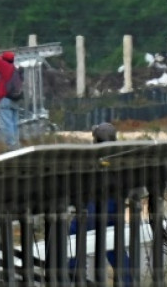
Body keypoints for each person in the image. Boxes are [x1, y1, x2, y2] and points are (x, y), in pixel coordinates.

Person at [68, 122, 131, 285]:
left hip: (94, 211)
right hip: (115, 211)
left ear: (96, 139)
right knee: (115, 250)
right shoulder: (121, 156)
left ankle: (72, 277)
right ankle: (129, 282)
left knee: (74, 239)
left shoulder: (92, 157)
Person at [0, 50, 21, 150]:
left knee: (7, 123)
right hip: (15, 99)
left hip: (6, 99)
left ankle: (11, 145)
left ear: (5, 59)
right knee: (14, 123)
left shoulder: (6, 67)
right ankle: (16, 144)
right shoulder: (15, 69)